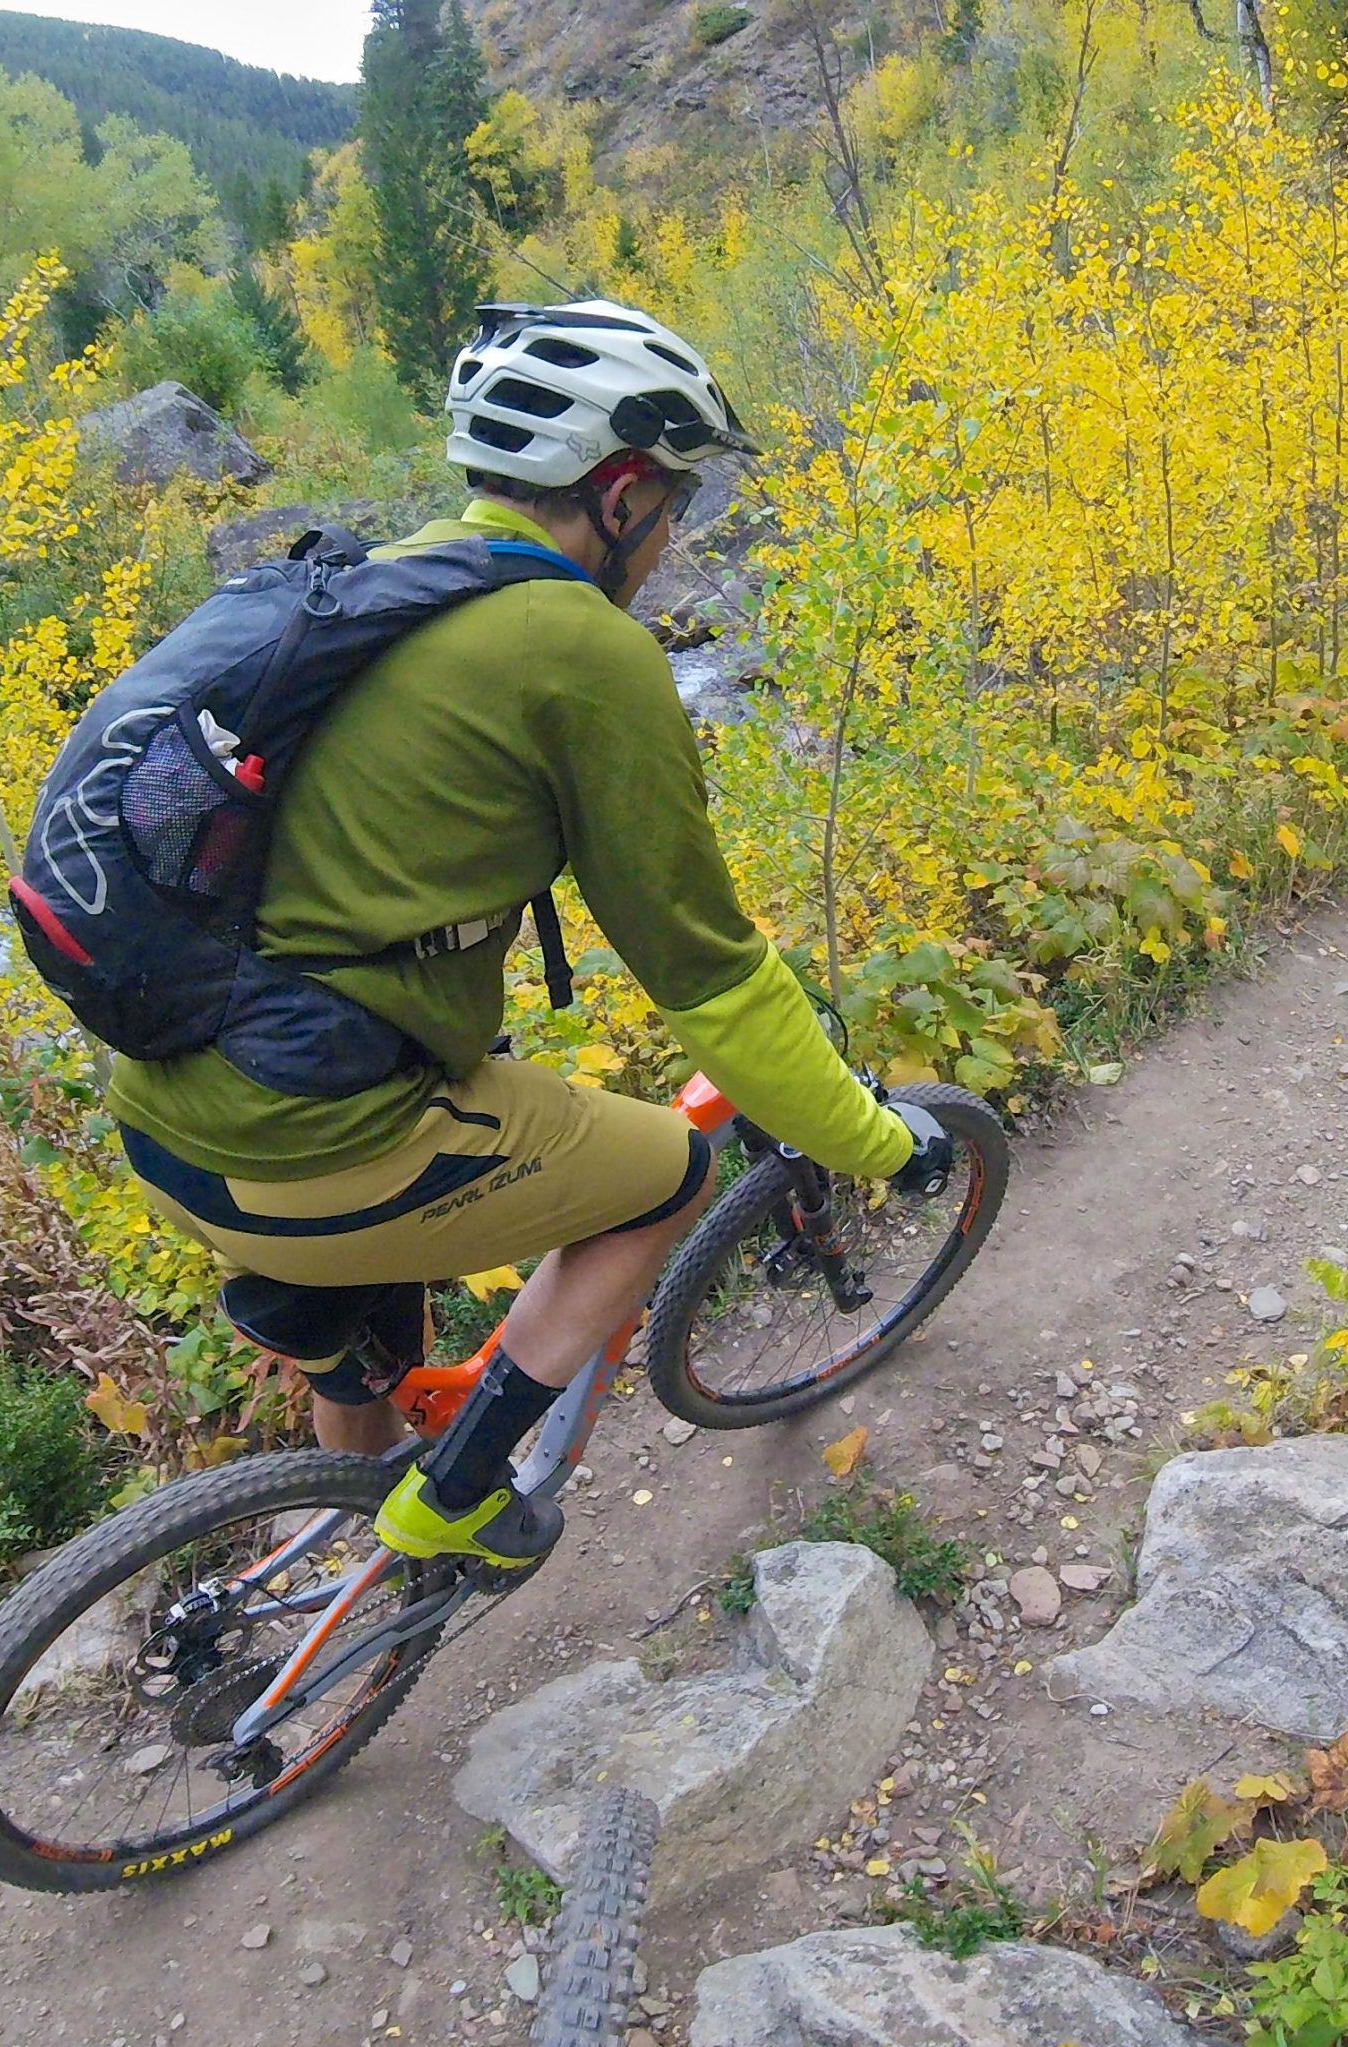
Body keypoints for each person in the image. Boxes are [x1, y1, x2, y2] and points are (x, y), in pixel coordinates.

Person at [104, 300, 948, 1567]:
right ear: (616, 496)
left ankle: (358, 1564)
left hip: (172, 1118)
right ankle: (458, 1508)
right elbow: (711, 983)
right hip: (319, 1135)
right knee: (668, 1172)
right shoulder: (580, 647)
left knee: (367, 1325)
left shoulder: (377, 587)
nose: (673, 536)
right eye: (674, 503)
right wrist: (877, 1144)